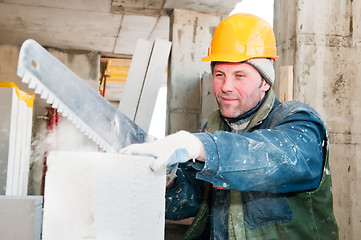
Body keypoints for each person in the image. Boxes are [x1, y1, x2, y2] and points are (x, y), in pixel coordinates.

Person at [120, 13, 339, 239]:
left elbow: (278, 157)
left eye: (240, 75)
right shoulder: (214, 130)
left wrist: (198, 145)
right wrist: (168, 180)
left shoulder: (298, 122)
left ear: (265, 81)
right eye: (219, 74)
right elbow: (189, 203)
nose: (226, 86)